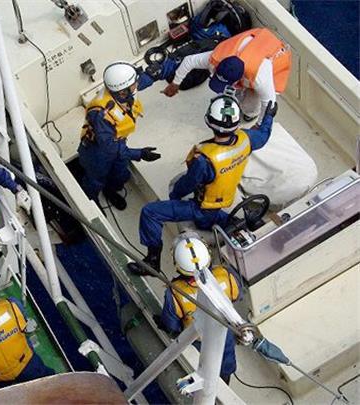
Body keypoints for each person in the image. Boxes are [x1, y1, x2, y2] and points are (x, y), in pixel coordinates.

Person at [129, 94, 276, 275]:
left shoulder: (205, 160)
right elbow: (263, 135)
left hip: (202, 210)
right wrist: (269, 117)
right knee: (236, 222)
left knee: (150, 212)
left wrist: (175, 194)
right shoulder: (246, 140)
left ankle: (152, 261)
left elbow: (186, 185)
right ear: (236, 124)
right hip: (227, 200)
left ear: (209, 123)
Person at [155, 235, 241, 384]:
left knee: (200, 369)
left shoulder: (175, 295)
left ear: (177, 265)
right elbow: (236, 296)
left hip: (197, 340)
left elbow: (171, 325)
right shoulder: (227, 275)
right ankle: (224, 381)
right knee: (225, 364)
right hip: (224, 333)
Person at [78, 61, 161, 210]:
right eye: (134, 83)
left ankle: (111, 190)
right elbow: (110, 147)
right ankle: (91, 201)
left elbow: (143, 81)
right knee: (95, 179)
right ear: (123, 92)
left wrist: (159, 71)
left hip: (118, 142)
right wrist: (139, 154)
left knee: (121, 174)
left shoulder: (124, 91)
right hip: (97, 151)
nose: (137, 84)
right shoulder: (101, 114)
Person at [163, 28, 291, 124]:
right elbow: (189, 61)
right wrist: (175, 83)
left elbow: (270, 104)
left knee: (250, 106)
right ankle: (239, 97)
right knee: (233, 94)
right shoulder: (216, 57)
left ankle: (250, 114)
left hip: (274, 58)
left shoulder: (260, 77)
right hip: (254, 42)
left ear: (239, 80)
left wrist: (258, 126)